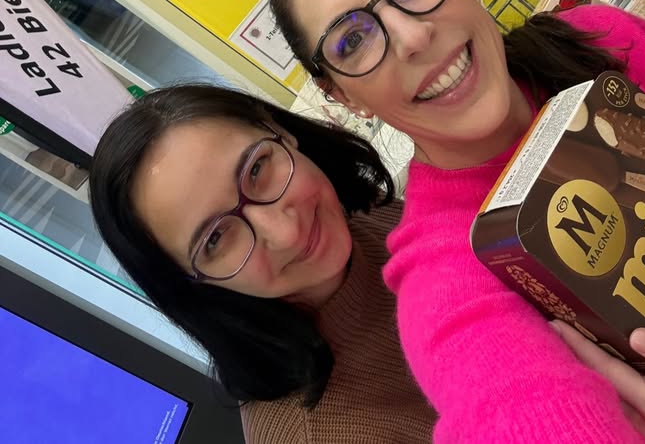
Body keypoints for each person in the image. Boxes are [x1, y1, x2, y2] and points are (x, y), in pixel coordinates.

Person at [269, 0, 645, 443]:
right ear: (343, 95)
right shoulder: (446, 277)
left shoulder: (601, 37)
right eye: (353, 41)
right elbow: (507, 405)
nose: (412, 38)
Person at [89, 84, 435, 444]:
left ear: (277, 129)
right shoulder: (315, 436)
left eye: (256, 170)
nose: (286, 233)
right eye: (215, 239)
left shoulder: (353, 211)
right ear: (192, 284)